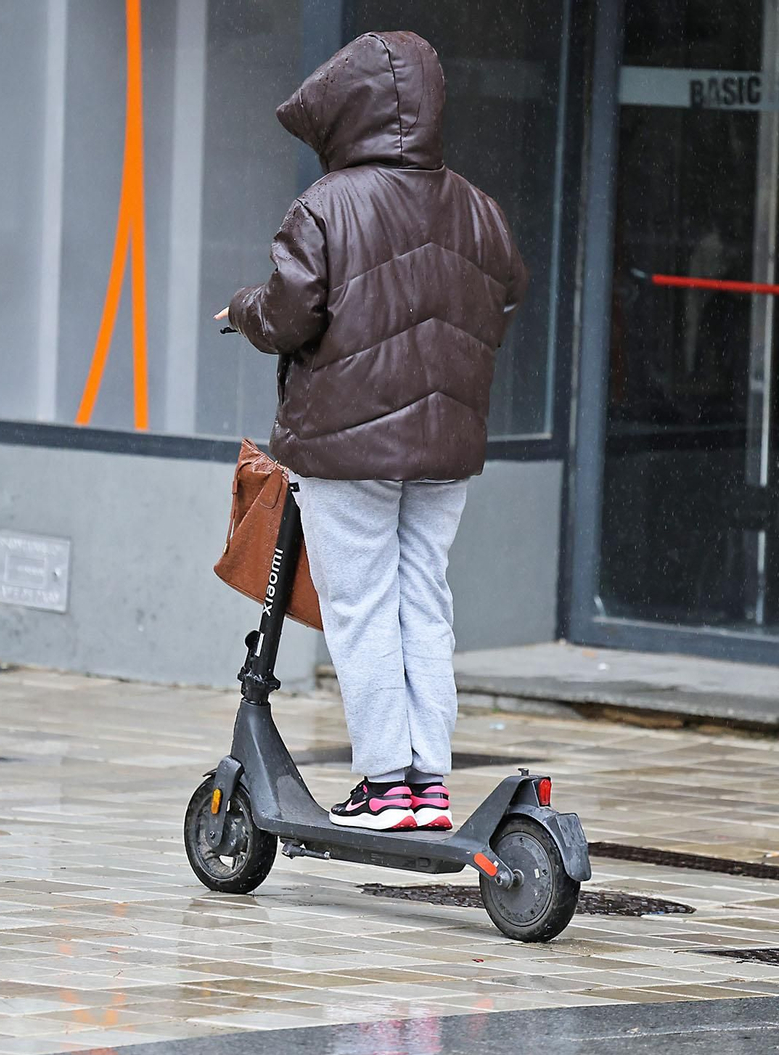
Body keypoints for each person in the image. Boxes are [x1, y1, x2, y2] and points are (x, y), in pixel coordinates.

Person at [217, 31, 527, 832]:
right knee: (424, 594)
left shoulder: (326, 206)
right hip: (445, 446)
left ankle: (385, 784)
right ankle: (427, 785)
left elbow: (291, 313)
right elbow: (507, 293)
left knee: (360, 604)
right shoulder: (477, 206)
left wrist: (241, 311)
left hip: (348, 442)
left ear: (346, 116)